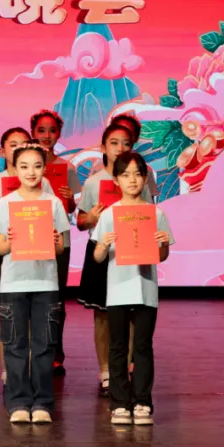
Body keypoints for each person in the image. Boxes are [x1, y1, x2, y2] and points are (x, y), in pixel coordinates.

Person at [0, 143, 70, 424]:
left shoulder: (53, 203)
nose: (31, 172)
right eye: (24, 166)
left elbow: (60, 248)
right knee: (15, 345)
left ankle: (43, 403)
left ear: (45, 168)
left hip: (45, 282)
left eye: (36, 166)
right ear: (14, 169)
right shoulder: (6, 203)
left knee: (44, 344)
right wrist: (12, 239)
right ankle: (18, 402)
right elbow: (0, 248)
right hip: (13, 284)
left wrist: (55, 241)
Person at [92, 152, 173, 426]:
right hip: (118, 289)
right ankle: (119, 403)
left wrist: (163, 244)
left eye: (138, 174)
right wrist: (104, 243)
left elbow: (161, 256)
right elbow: (98, 257)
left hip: (146, 289)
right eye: (126, 175)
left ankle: (142, 402)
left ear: (146, 178)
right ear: (116, 180)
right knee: (117, 347)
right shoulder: (109, 215)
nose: (133, 180)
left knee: (143, 346)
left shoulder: (155, 214)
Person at [77, 124, 152, 396]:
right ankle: (106, 371)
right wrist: (92, 219)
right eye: (114, 143)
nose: (120, 148)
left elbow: (149, 212)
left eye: (126, 143)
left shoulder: (142, 179)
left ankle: (126, 367)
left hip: (133, 248)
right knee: (103, 315)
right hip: (102, 250)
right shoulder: (93, 182)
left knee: (131, 312)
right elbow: (80, 222)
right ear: (103, 147)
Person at [30, 109, 81, 374]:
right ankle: (33, 350)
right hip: (29, 238)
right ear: (32, 132)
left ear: (59, 134)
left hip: (58, 239)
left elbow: (70, 209)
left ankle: (55, 352)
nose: (47, 135)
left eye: (52, 130)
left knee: (56, 298)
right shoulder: (25, 165)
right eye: (41, 130)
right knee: (30, 296)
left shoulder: (67, 168)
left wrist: (70, 199)